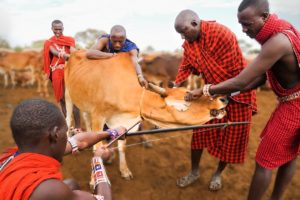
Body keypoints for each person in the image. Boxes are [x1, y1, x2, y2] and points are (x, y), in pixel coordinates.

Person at [187, 0, 300, 199]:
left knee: (264, 162)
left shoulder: (277, 42)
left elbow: (241, 81)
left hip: (294, 106)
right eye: (240, 24)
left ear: (264, 17)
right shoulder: (282, 32)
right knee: (289, 156)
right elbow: (259, 78)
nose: (244, 29)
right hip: (293, 102)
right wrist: (228, 93)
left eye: (247, 24)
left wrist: (206, 90)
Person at [174, 9, 257, 190]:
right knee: (199, 133)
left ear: (195, 24)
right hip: (209, 92)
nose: (182, 38)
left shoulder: (221, 34)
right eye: (179, 33)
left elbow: (233, 76)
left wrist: (202, 91)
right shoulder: (190, 42)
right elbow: (186, 64)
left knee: (231, 138)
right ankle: (194, 171)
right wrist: (174, 85)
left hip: (238, 93)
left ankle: (218, 173)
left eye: (183, 32)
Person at [0, 99, 127, 200]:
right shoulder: (48, 190)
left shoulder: (13, 156)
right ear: (55, 135)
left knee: (71, 184)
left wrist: (111, 132)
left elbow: (78, 141)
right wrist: (97, 160)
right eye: (66, 132)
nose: (68, 137)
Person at [44, 19, 81, 131]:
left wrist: (78, 54)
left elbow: (73, 51)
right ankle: (67, 127)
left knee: (73, 99)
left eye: (60, 29)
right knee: (63, 100)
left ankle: (78, 127)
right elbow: (55, 53)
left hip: (70, 71)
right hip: (57, 72)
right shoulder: (49, 42)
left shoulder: (70, 40)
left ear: (63, 28)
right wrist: (65, 55)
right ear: (52, 29)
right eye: (56, 29)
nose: (58, 31)